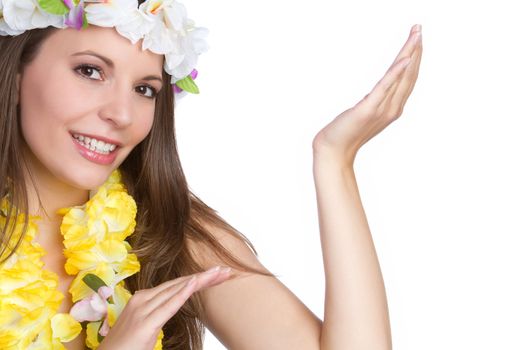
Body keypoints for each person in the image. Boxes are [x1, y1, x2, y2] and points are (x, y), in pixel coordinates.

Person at [0, 0, 423, 349]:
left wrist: (335, 160)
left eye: (144, 89)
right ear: (17, 75)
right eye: (91, 71)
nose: (121, 114)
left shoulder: (170, 234)